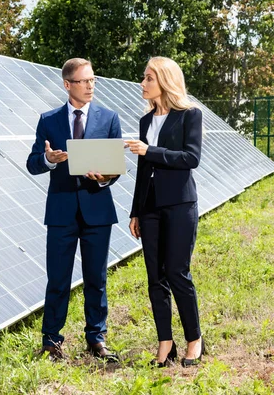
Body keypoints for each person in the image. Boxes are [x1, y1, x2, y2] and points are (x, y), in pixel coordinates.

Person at [27, 58, 122, 362]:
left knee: (96, 278)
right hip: (61, 212)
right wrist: (50, 160)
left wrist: (106, 176)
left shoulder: (109, 118)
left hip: (97, 209)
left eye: (93, 80)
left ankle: (96, 338)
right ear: (68, 85)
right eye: (84, 81)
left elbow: (116, 168)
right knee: (58, 279)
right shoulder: (49, 120)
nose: (91, 86)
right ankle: (51, 341)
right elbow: (33, 163)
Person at [125, 56, 204, 368]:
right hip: (150, 208)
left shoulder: (189, 115)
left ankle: (194, 340)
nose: (142, 84)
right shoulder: (145, 121)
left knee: (177, 272)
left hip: (180, 204)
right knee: (155, 278)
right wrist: (135, 212)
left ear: (164, 81)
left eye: (148, 78)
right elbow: (143, 171)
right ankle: (165, 342)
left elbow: (191, 158)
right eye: (144, 78)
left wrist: (151, 150)